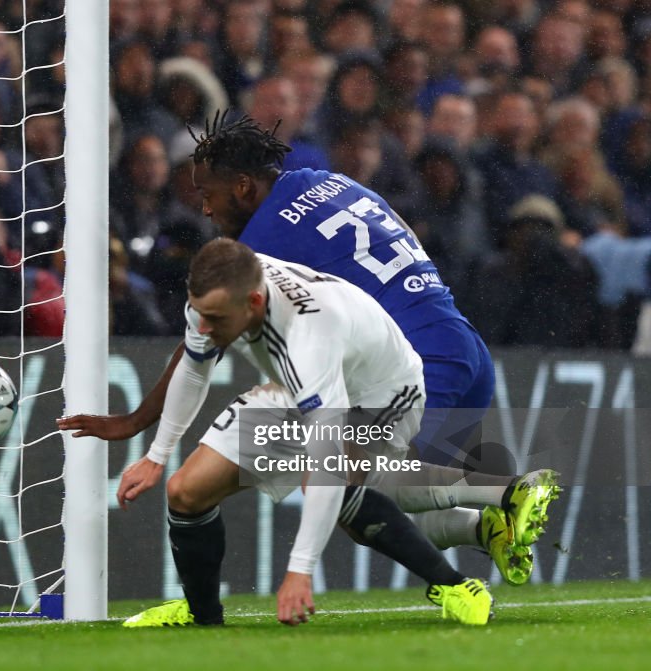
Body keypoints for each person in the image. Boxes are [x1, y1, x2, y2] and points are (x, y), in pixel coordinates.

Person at [58, 113, 554, 596]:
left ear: (245, 187)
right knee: (363, 506)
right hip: (462, 345)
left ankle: (507, 490)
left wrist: (137, 420)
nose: (205, 210)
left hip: (419, 361)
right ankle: (488, 528)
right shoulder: (326, 182)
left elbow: (202, 339)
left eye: (208, 194)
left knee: (351, 486)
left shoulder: (262, 240)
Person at [101, 239, 558, 627]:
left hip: (381, 389)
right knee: (185, 491)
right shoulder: (217, 295)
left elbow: (324, 471)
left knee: (340, 493)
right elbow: (195, 368)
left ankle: (459, 587)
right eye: (199, 314)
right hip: (297, 386)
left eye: (215, 320)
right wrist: (157, 455)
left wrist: (300, 571)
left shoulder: (306, 340)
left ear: (254, 303)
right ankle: (203, 618)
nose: (204, 327)